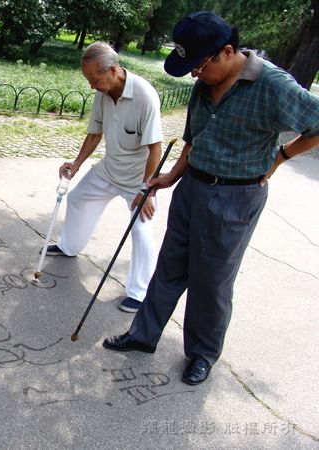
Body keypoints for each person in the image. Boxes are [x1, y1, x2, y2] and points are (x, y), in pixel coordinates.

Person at [102, 11, 319, 386]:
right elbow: (193, 137)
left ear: (227, 52)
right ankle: (144, 334)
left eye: (198, 65)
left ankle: (202, 353)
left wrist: (281, 157)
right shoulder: (204, 83)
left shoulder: (273, 84)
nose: (193, 74)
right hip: (193, 187)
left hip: (236, 195)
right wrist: (171, 176)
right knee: (170, 267)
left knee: (211, 280)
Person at [45, 41, 164, 313]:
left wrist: (147, 191)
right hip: (109, 168)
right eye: (88, 79)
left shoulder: (145, 96)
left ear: (113, 70)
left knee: (142, 228)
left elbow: (155, 148)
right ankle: (69, 246)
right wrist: (76, 163)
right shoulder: (102, 92)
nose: (91, 85)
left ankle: (139, 292)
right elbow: (94, 133)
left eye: (94, 79)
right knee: (78, 198)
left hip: (138, 178)